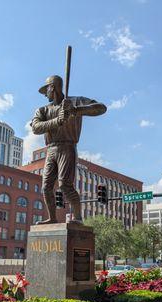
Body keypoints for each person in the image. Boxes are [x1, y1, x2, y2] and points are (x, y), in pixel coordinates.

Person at [31, 75, 107, 224]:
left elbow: (101, 108)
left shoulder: (75, 102)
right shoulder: (43, 110)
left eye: (46, 90)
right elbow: (36, 127)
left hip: (68, 147)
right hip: (51, 149)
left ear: (52, 87)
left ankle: (78, 218)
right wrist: (57, 121)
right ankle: (52, 218)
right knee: (46, 187)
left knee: (65, 185)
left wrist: (76, 110)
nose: (45, 94)